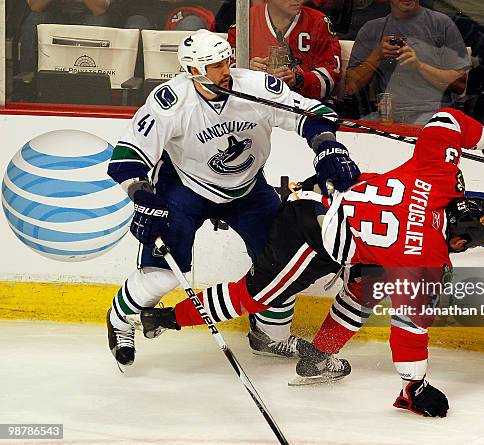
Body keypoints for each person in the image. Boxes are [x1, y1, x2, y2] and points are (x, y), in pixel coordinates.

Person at [131, 107, 484, 416]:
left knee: (368, 285)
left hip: (333, 215)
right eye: (462, 246)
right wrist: (415, 388)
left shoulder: (438, 174)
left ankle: (318, 356)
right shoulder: (426, 260)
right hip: (307, 233)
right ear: (458, 239)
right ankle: (166, 319)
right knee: (255, 296)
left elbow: (446, 122)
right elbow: (408, 331)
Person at [105, 29, 361, 367]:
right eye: (214, 65)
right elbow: (126, 158)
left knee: (280, 265)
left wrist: (326, 144)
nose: (225, 69)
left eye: (226, 60)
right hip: (185, 188)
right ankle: (120, 320)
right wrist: (141, 194)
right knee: (163, 275)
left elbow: (314, 116)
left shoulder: (257, 88)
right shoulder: (171, 101)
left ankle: (270, 336)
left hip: (248, 188)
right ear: (193, 70)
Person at [344, 0, 471, 124]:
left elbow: (460, 84)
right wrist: (377, 55)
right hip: (388, 116)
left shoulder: (441, 24)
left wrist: (419, 66)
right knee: (350, 135)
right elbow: (351, 87)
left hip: (433, 114)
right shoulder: (371, 29)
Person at [227, 0, 342, 101]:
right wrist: (246, 69)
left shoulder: (318, 22)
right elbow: (224, 71)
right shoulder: (245, 19)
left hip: (305, 106)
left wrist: (298, 80)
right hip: (256, 103)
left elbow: (331, 77)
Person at [20, 0, 113, 73]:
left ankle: (93, 83)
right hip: (50, 10)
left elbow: (99, 10)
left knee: (98, 23)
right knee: (32, 24)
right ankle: (27, 83)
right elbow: (36, 6)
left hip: (88, 11)